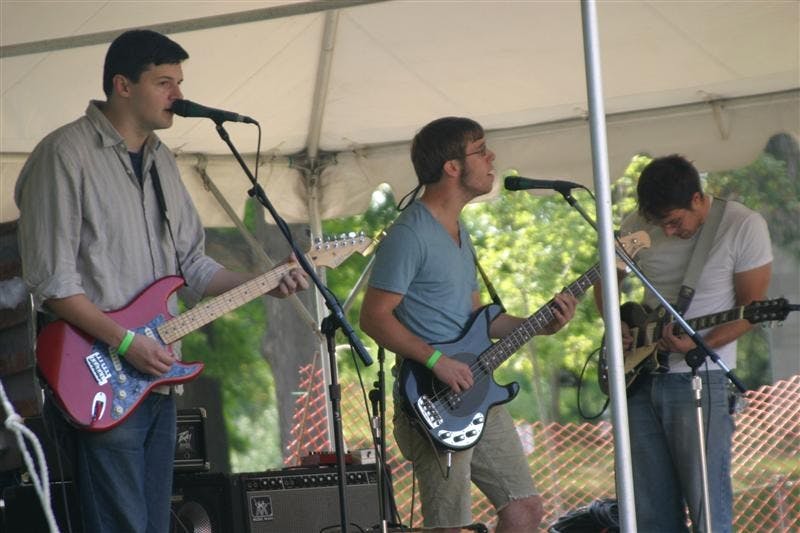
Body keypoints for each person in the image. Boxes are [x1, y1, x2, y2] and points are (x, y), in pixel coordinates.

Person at [14, 29, 308, 532]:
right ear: (123, 85)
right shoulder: (64, 154)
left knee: (153, 524)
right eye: (164, 82)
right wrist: (127, 343)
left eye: (180, 82)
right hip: (97, 373)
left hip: (156, 376)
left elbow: (193, 266)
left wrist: (265, 280)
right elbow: (53, 284)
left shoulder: (162, 161)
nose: (178, 95)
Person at [359, 117, 578, 532]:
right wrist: (437, 361)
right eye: (480, 150)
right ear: (452, 167)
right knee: (450, 526)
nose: (491, 157)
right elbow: (373, 317)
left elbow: (480, 322)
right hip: (431, 399)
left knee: (524, 508)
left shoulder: (460, 229)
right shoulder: (409, 233)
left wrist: (541, 325)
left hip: (477, 392)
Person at [594, 155, 772, 532]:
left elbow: (752, 310)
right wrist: (615, 323)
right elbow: (605, 280)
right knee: (649, 511)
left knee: (707, 507)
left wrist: (700, 345)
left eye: (675, 222)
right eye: (660, 223)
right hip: (639, 377)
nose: (668, 231)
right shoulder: (636, 224)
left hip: (700, 378)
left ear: (696, 198)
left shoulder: (743, 225)